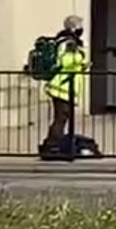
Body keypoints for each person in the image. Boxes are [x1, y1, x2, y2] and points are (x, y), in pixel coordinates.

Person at [43, 15, 89, 148]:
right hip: (62, 86)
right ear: (74, 27)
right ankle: (53, 144)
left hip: (65, 86)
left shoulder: (67, 41)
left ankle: (56, 142)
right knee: (61, 117)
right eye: (80, 25)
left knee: (62, 117)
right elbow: (65, 61)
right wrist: (80, 60)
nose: (82, 29)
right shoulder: (69, 42)